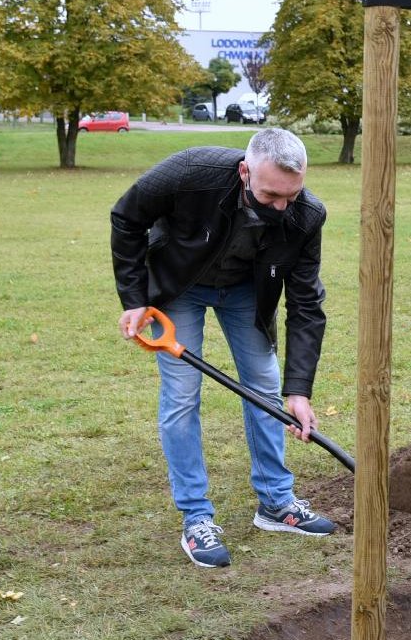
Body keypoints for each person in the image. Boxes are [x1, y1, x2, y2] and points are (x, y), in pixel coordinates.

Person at [110, 128, 336, 568]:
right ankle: (196, 518)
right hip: (181, 286)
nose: (281, 207)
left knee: (266, 388)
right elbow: (126, 216)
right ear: (244, 171)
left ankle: (276, 502)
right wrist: (136, 300)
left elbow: (306, 303)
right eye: (271, 195)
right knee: (181, 395)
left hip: (247, 291)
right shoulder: (191, 172)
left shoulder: (307, 216)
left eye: (292, 195)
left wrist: (299, 391)